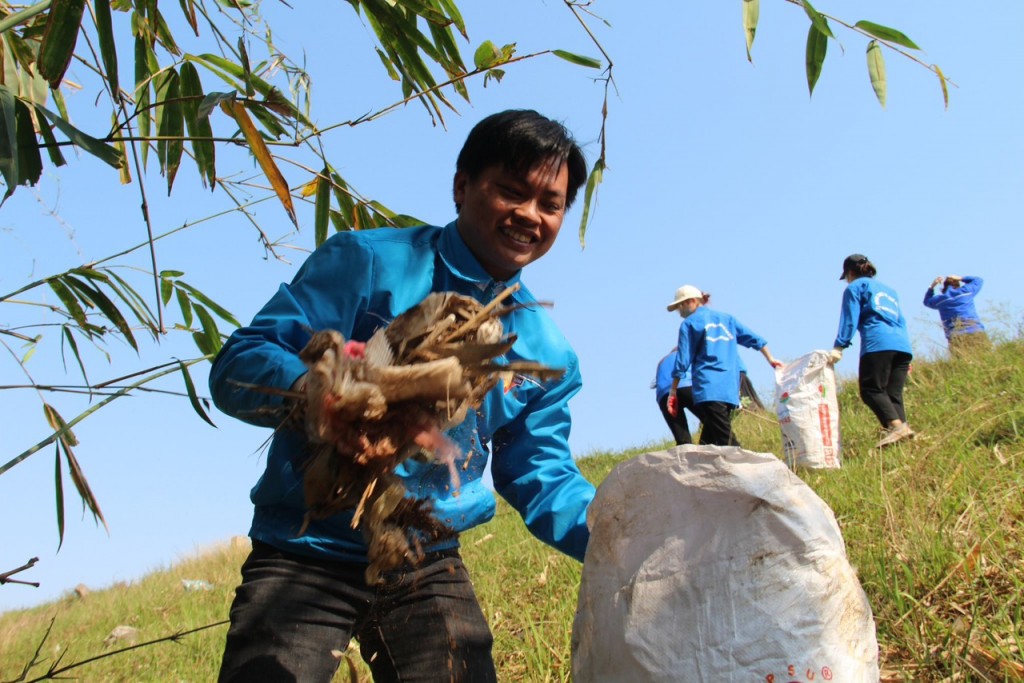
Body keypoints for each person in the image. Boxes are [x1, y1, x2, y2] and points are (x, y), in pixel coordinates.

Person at [208, 109, 596, 682]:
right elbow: (239, 365)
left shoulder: (544, 353)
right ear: (462, 186)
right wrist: (318, 392)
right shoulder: (368, 262)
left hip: (424, 559)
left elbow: (542, 474)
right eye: (511, 192)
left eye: (550, 203)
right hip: (304, 548)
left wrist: (625, 539)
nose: (529, 215)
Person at [666, 285, 782, 447]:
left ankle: (744, 465)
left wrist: (673, 391)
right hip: (729, 389)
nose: (679, 312)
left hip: (708, 387)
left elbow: (683, 360)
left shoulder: (690, 324)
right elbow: (756, 339)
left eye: (680, 306)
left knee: (726, 439)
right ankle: (702, 468)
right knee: (709, 439)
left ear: (691, 301)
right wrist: (770, 358)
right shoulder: (727, 319)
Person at [829, 253, 915, 448]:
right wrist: (907, 354)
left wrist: (839, 346)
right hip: (902, 345)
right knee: (893, 394)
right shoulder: (890, 291)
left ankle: (896, 428)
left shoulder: (855, 287)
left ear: (850, 273)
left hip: (878, 343)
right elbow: (901, 320)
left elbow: (849, 318)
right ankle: (903, 436)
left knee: (870, 390)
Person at [923, 274, 990, 356]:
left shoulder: (940, 300)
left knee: (963, 365)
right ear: (958, 284)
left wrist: (932, 286)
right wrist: (961, 278)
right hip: (975, 330)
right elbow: (978, 280)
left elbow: (926, 301)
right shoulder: (965, 291)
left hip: (955, 336)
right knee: (985, 357)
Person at [653, 347, 697, 445]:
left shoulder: (662, 361)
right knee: (711, 420)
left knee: (682, 440)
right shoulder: (688, 352)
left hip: (663, 395)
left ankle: (685, 454)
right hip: (685, 385)